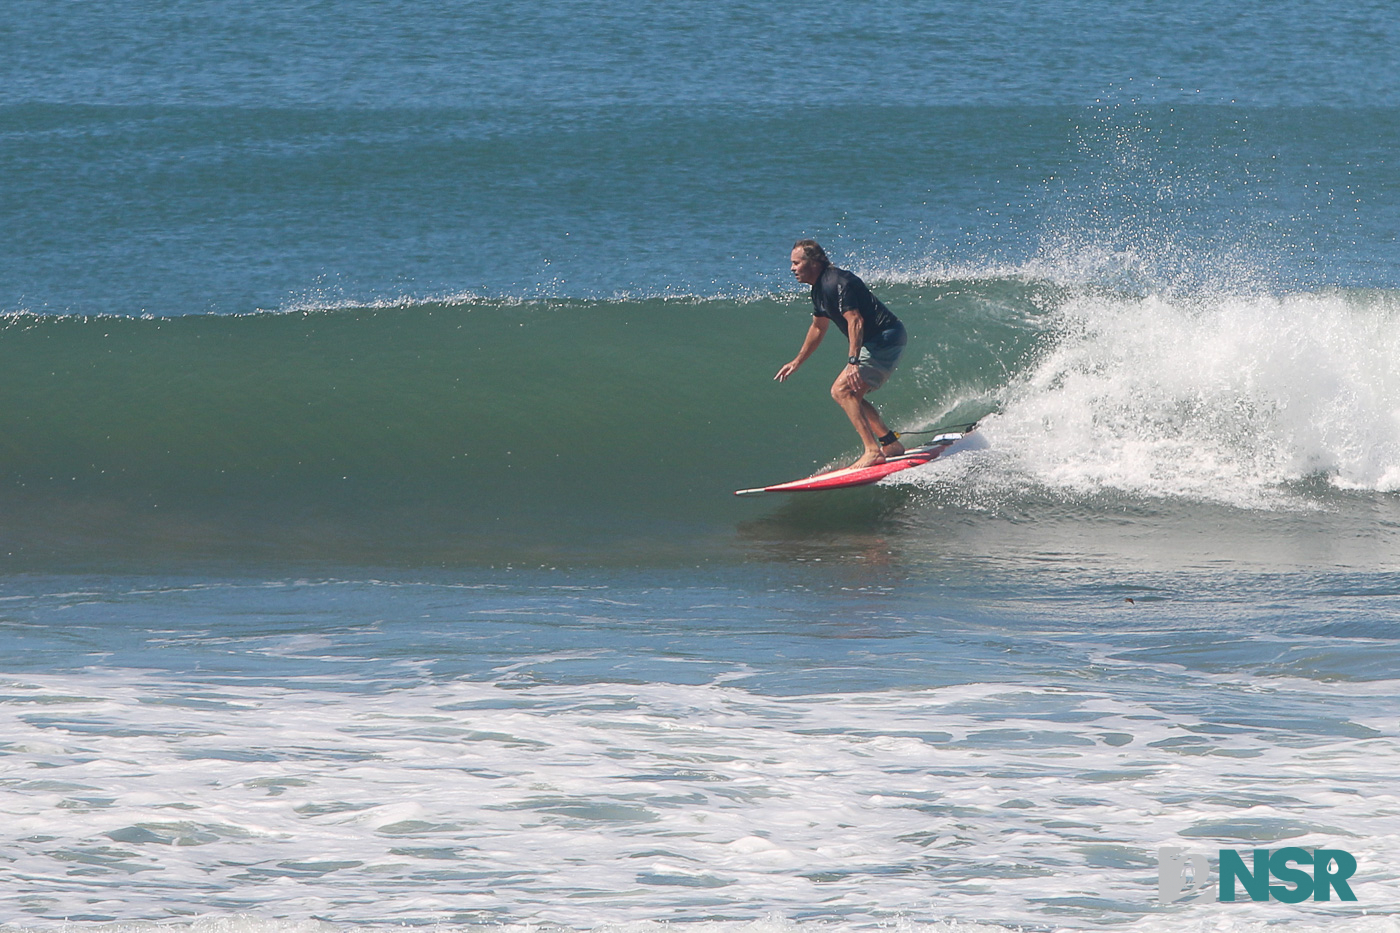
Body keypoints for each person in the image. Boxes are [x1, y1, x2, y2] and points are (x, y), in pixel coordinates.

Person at [775, 239, 907, 469]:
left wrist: (853, 361)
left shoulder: (835, 282)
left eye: (796, 263)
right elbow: (818, 327)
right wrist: (797, 361)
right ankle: (890, 444)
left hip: (884, 338)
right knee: (851, 395)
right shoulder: (818, 289)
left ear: (814, 262)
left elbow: (855, 320)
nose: (792, 268)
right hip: (880, 339)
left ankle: (872, 451)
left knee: (841, 390)